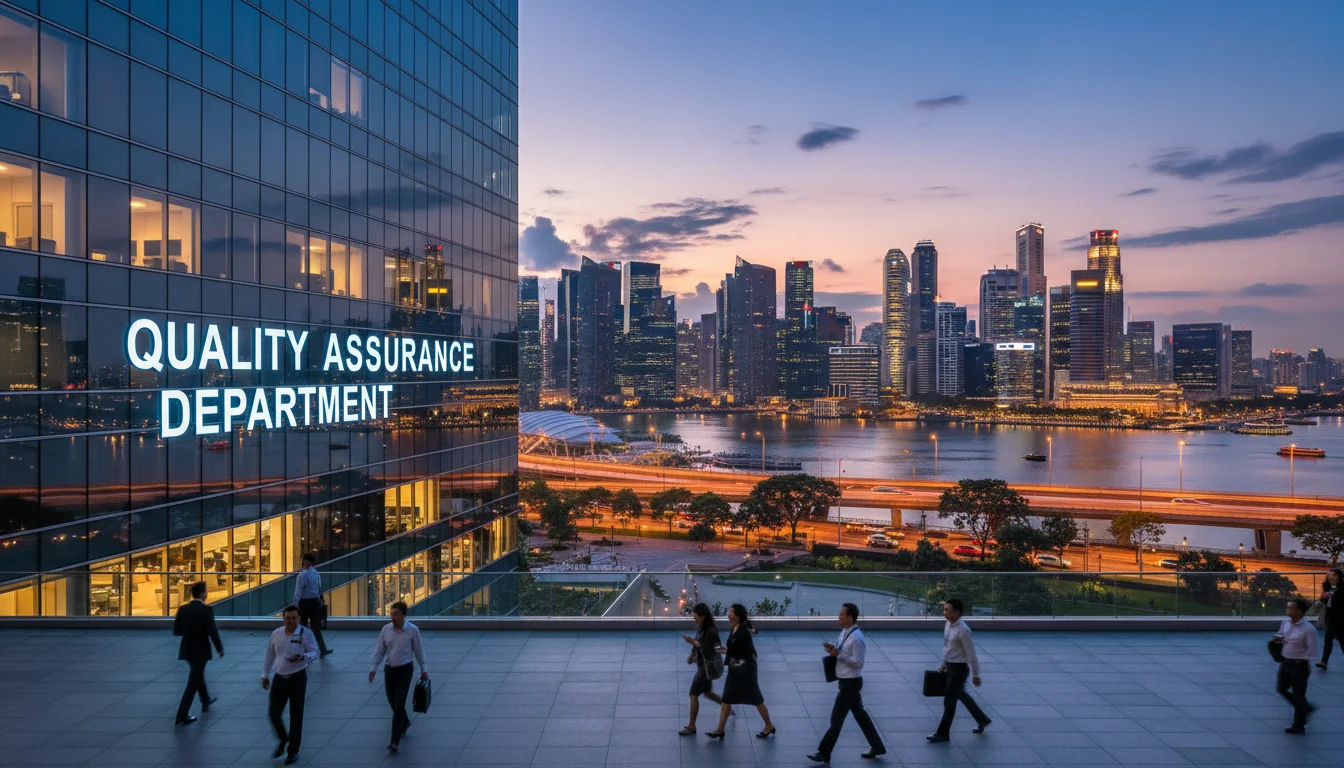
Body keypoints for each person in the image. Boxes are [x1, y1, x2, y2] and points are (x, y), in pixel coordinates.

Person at [808, 603, 885, 763]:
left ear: (850, 617)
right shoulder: (845, 632)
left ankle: (824, 752)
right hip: (846, 682)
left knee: (836, 719)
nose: (839, 617)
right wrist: (833, 650)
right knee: (861, 716)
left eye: (842, 614)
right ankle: (877, 747)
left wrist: (839, 655)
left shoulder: (857, 639)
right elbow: (842, 651)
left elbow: (858, 662)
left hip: (850, 684)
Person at [706, 604, 776, 740]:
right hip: (735, 669)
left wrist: (725, 651)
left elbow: (741, 650)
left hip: (746, 670)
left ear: (737, 616)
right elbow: (735, 648)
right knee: (727, 698)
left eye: (731, 612)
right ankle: (720, 729)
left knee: (756, 698)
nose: (729, 614)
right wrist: (726, 650)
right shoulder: (735, 627)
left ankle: (769, 725)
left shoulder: (743, 631)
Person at [262, 604, 320, 764]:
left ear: (299, 619)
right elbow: (269, 655)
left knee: (296, 716)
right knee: (273, 714)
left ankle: (293, 751)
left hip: (297, 678)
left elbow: (315, 652)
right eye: (288, 618)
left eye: (294, 618)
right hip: (279, 678)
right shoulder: (276, 634)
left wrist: (303, 656)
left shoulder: (305, 633)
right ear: (283, 619)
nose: (291, 621)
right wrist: (265, 674)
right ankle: (283, 738)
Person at [928, 599, 990, 743]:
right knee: (961, 695)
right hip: (950, 666)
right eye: (944, 609)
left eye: (947, 610)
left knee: (949, 701)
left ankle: (943, 733)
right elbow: (948, 647)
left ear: (956, 613)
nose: (944, 612)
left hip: (959, 670)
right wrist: (944, 664)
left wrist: (976, 674)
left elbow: (971, 655)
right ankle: (982, 720)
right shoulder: (948, 625)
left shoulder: (963, 631)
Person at [369, 601, 429, 752]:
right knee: (392, 701)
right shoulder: (386, 629)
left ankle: (394, 740)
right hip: (390, 669)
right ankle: (405, 722)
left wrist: (423, 669)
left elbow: (418, 650)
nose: (393, 617)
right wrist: (374, 667)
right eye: (391, 614)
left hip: (405, 670)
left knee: (399, 703)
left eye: (396, 614)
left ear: (404, 615)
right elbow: (380, 649)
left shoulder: (412, 630)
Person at [172, 581, 223, 726]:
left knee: (197, 674)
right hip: (201, 649)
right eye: (206, 591)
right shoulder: (207, 610)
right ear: (203, 594)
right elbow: (212, 631)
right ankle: (182, 714)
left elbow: (176, 631)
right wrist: (219, 648)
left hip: (187, 649)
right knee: (193, 681)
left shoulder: (183, 609)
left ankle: (205, 699)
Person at [680, 603, 725, 736]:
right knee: (707, 693)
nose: (694, 619)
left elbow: (704, 647)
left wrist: (691, 641)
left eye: (695, 617)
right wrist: (692, 653)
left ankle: (691, 726)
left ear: (703, 616)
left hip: (705, 669)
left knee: (693, 694)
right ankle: (726, 706)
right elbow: (698, 643)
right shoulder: (702, 628)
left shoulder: (710, 632)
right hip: (703, 667)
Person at [1276, 597, 1318, 733]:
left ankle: (1299, 724)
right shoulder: (1285, 623)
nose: (1288, 610)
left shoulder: (1308, 629)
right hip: (1286, 662)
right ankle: (1305, 708)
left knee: (1298, 694)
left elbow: (1312, 650)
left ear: (1299, 611)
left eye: (1291, 608)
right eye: (1287, 607)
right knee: (1281, 688)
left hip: (1299, 665)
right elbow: (1281, 636)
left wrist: (1301, 657)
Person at [293, 553, 333, 657]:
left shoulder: (302, 575)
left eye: (303, 560)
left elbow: (298, 591)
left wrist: (295, 605)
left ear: (306, 561)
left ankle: (300, 649)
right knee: (316, 627)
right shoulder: (316, 574)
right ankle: (322, 649)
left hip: (304, 603)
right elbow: (319, 588)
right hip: (315, 603)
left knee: (302, 626)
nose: (302, 563)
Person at [1316, 568, 1343, 670]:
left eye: (1334, 575)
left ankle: (1324, 662)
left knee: (1342, 640)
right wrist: (1325, 597)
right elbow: (1323, 599)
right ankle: (1324, 662)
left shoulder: (1342, 589)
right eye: (1330, 575)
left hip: (1340, 618)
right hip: (1330, 617)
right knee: (1328, 639)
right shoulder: (1327, 588)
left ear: (1339, 577)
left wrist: (1333, 594)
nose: (1331, 577)